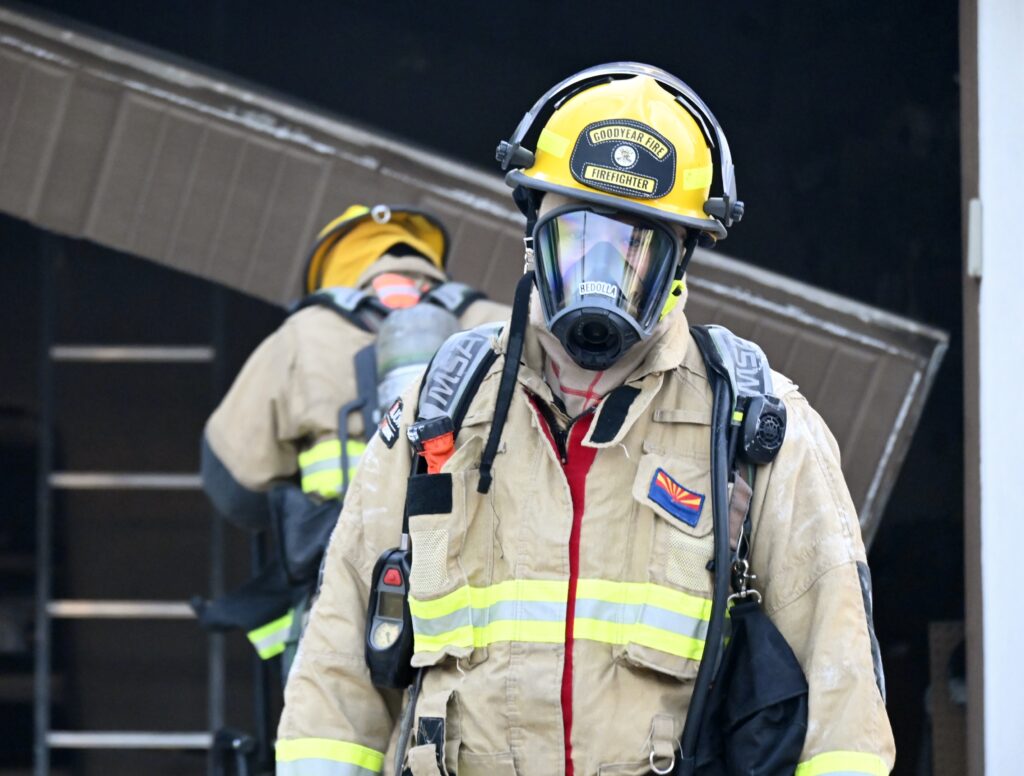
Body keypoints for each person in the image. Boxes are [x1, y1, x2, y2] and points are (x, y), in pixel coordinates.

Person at [275, 65, 895, 776]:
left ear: (681, 259)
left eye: (635, 248)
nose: (602, 273)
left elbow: (842, 698)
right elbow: (336, 682)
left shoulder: (757, 428)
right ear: (532, 234)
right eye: (576, 238)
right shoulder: (440, 413)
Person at [198, 204, 510, 664]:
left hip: (350, 597)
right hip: (490, 596)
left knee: (334, 705)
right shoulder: (504, 320)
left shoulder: (304, 335)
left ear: (333, 270)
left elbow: (234, 485)